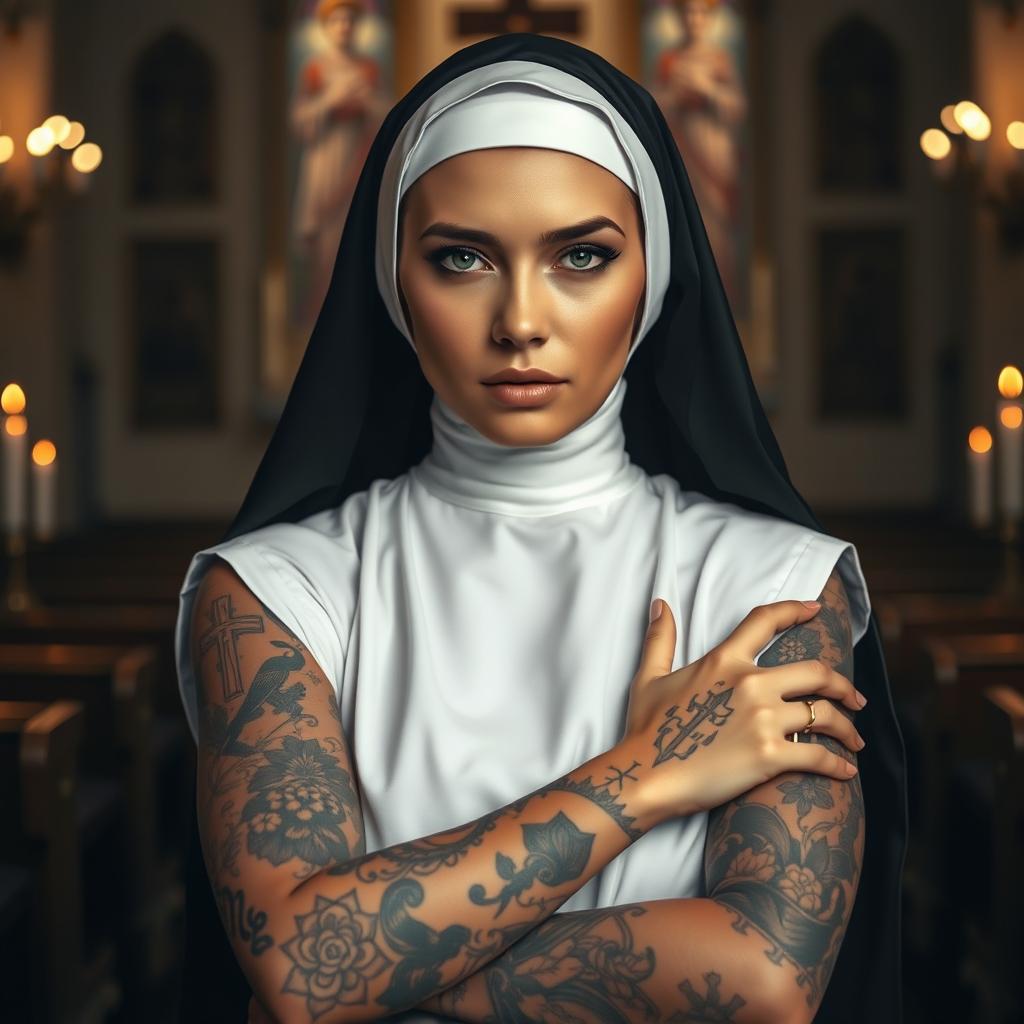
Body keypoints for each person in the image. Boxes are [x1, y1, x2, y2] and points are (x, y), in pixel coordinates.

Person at [173, 33, 907, 1024]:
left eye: (581, 256)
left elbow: (766, 980)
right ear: (393, 281)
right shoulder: (272, 590)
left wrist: (371, 972)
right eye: (462, 257)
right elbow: (304, 970)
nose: (520, 319)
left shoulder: (770, 584)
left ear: (651, 276)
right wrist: (646, 773)